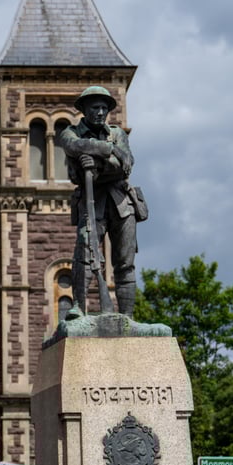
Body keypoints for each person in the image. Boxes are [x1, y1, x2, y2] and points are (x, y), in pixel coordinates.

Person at [57, 86, 142, 317]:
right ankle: (78, 309)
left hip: (122, 204)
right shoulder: (69, 132)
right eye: (95, 107)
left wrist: (95, 165)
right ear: (84, 109)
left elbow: (124, 167)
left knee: (125, 262)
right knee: (85, 255)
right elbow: (74, 147)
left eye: (105, 108)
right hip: (91, 203)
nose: (101, 112)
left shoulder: (118, 133)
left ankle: (127, 317)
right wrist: (110, 150)